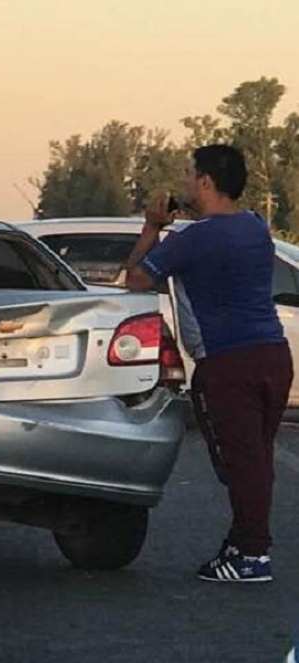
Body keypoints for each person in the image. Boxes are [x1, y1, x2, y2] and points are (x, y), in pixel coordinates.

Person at [125, 144, 293, 583]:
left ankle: (251, 554)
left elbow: (137, 279)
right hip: (274, 354)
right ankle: (243, 545)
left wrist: (151, 227)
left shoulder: (194, 240)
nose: (184, 182)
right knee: (256, 459)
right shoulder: (257, 227)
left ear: (205, 182)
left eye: (189, 174)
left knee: (240, 462)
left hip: (228, 362)